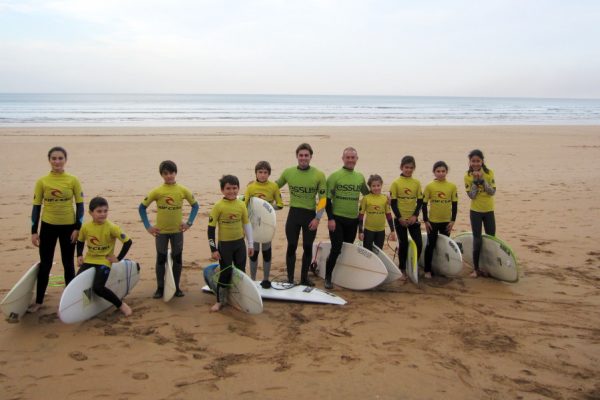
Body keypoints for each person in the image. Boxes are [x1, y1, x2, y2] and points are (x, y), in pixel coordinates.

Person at [28, 146, 84, 313]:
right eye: (54, 158)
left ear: (65, 160)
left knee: (68, 265)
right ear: (49, 160)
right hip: (48, 227)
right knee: (45, 265)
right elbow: (36, 208)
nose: (57, 161)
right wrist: (33, 231)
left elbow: (80, 206)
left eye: (60, 158)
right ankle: (39, 301)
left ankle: (71, 300)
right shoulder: (42, 181)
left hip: (68, 228)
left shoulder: (73, 180)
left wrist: (77, 228)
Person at [139, 160, 199, 298]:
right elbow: (142, 208)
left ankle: (176, 287)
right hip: (161, 232)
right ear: (161, 175)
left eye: (171, 173)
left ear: (175, 173)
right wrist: (148, 226)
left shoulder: (182, 190)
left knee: (177, 258)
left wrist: (189, 223)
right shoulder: (157, 191)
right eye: (166, 173)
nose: (169, 176)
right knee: (160, 259)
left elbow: (195, 206)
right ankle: (160, 288)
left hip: (178, 231)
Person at [276, 143, 326, 286]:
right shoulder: (288, 172)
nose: (303, 158)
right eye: (301, 155)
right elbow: (274, 186)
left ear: (311, 157)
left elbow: (322, 199)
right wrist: (257, 190)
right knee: (291, 245)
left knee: (307, 247)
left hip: (310, 215)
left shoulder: (319, 175)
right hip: (294, 215)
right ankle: (290, 279)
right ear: (297, 156)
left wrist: (317, 218)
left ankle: (304, 278)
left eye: (306, 155)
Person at [76, 197, 133, 316]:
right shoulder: (86, 227)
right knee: (78, 283)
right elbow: (80, 241)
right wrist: (79, 255)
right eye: (99, 211)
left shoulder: (112, 227)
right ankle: (88, 304)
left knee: (98, 287)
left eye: (105, 211)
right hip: (90, 259)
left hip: (104, 262)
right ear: (91, 213)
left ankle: (121, 305)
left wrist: (118, 258)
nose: (103, 214)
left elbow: (128, 242)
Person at [323, 147, 369, 289]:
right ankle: (328, 276)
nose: (350, 160)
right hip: (337, 219)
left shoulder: (360, 177)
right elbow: (326, 199)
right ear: (342, 159)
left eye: (352, 157)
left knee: (348, 248)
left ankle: (343, 273)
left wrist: (385, 198)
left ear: (356, 159)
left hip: (352, 220)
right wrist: (330, 218)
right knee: (336, 248)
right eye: (347, 157)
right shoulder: (335, 176)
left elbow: (368, 195)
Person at [207, 175, 254, 312]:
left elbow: (247, 224)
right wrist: (213, 249)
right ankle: (220, 301)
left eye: (234, 188)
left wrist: (250, 244)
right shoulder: (218, 206)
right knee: (225, 272)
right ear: (222, 190)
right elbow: (211, 229)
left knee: (241, 272)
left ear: (238, 188)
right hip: (225, 245)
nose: (232, 191)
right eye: (228, 188)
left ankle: (239, 298)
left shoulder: (241, 205)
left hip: (239, 244)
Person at [244, 161, 283, 289]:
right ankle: (253, 280)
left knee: (266, 251)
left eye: (265, 172)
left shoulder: (273, 187)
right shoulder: (250, 187)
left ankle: (266, 279)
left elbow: (280, 204)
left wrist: (268, 207)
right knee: (254, 252)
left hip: (267, 224)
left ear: (269, 174)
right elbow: (245, 206)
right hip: (254, 224)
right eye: (260, 172)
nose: (262, 175)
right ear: (256, 173)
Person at [422, 161, 458, 279]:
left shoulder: (452, 186)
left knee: (444, 246)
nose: (441, 173)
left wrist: (452, 221)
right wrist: (426, 221)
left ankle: (443, 268)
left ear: (446, 172)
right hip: (433, 222)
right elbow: (424, 204)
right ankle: (427, 270)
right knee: (430, 245)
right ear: (434, 172)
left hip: (446, 222)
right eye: (438, 171)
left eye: (443, 171)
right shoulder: (430, 186)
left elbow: (454, 205)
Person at [390, 155, 423, 278]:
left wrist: (415, 216)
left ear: (414, 168)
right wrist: (399, 218)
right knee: (403, 244)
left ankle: (414, 266)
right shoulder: (396, 183)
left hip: (413, 218)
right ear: (401, 167)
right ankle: (402, 268)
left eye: (411, 167)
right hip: (400, 219)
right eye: (406, 167)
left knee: (419, 244)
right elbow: (393, 203)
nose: (408, 170)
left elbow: (420, 201)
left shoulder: (416, 183)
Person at [464, 149, 496, 277]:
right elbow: (471, 195)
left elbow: (492, 192)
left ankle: (490, 267)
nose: (476, 163)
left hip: (489, 211)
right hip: (476, 211)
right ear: (470, 162)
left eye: (478, 161)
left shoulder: (489, 173)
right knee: (477, 240)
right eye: (473, 161)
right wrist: (476, 182)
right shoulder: (467, 176)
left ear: (482, 161)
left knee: (491, 238)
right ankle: (476, 268)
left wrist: (482, 180)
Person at [358, 174, 396, 252]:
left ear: (381, 185)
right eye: (373, 186)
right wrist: (360, 231)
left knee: (378, 252)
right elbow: (361, 216)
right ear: (370, 187)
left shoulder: (384, 198)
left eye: (378, 185)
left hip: (381, 231)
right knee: (367, 252)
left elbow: (388, 215)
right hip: (368, 230)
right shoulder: (366, 198)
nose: (376, 188)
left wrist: (392, 230)